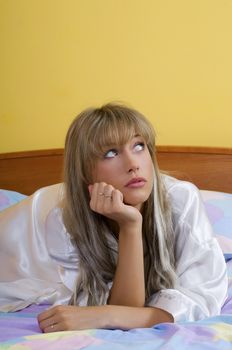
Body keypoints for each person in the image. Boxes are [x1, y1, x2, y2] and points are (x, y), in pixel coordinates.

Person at [0, 103, 228, 332]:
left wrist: (130, 223)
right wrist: (131, 226)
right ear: (85, 171)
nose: (133, 165)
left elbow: (200, 298)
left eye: (139, 146)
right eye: (111, 153)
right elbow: (125, 309)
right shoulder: (63, 220)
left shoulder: (181, 198)